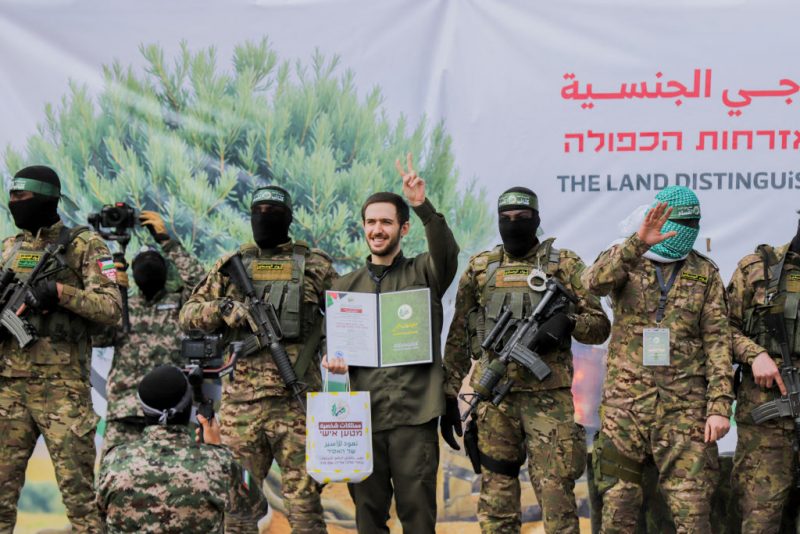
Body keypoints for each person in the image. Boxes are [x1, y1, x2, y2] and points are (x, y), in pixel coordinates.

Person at [443, 187, 610, 533]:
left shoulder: (564, 264)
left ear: (536, 219)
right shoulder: (480, 269)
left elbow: (600, 326)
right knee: (496, 502)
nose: (514, 224)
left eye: (522, 218)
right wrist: (447, 393)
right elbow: (459, 336)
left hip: (549, 401)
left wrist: (567, 323)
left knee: (558, 501)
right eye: (506, 219)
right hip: (493, 401)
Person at [179, 184, 337, 533]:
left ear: (290, 218)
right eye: (258, 211)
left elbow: (344, 319)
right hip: (241, 409)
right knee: (236, 511)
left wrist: (338, 363)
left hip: (298, 404)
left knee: (305, 511)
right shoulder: (231, 265)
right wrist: (224, 309)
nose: (264, 219)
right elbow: (187, 314)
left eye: (274, 212)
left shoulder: (316, 265)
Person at [582, 186, 733, 534]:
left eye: (693, 222)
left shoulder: (704, 272)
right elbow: (592, 283)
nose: (685, 227)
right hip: (625, 411)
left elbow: (718, 342)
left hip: (685, 412)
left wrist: (720, 405)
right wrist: (638, 243)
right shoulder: (625, 257)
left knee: (693, 515)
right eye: (679, 220)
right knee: (618, 513)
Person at [323, 154, 460, 533]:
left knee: (418, 517)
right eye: (371, 222)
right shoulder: (343, 289)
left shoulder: (423, 273)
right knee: (368, 516)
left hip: (413, 417)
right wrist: (333, 370)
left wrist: (421, 205)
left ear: (403, 229)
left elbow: (447, 253)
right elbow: (334, 357)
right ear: (363, 228)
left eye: (386, 222)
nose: (377, 229)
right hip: (361, 420)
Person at [0, 165, 122, 533]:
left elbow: (111, 308)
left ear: (48, 198)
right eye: (11, 196)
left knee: (82, 501)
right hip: (7, 389)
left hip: (62, 390)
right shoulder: (10, 247)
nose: (14, 203)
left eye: (22, 197)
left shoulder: (86, 245)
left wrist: (59, 293)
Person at [96, 365, 269, 533]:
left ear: (144, 410)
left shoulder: (114, 461)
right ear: (188, 408)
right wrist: (219, 450)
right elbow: (257, 508)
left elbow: (98, 516)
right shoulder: (218, 462)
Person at [96, 210, 205, 457]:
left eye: (154, 261)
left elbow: (201, 283)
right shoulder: (123, 306)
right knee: (113, 482)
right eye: (142, 262)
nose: (148, 266)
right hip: (125, 412)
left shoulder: (180, 305)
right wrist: (111, 290)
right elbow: (98, 337)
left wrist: (166, 241)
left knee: (178, 484)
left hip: (173, 414)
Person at [728, 210, 800, 532]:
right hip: (767, 423)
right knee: (762, 521)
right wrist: (755, 354)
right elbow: (718, 330)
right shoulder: (757, 268)